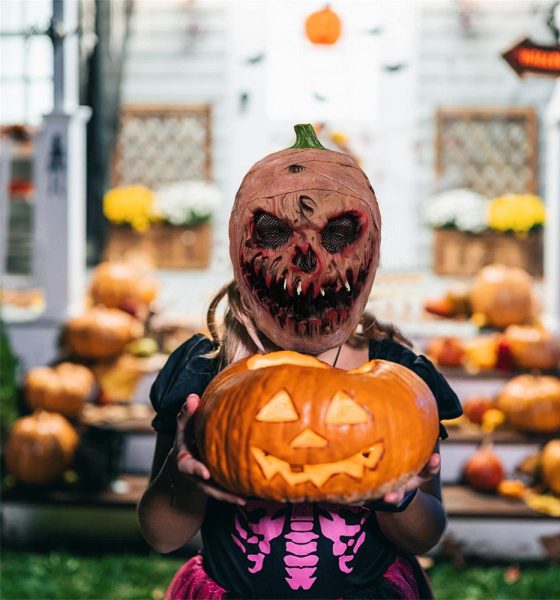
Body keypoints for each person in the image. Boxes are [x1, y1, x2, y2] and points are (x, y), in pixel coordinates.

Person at [138, 125, 462, 599]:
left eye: (338, 233)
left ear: (370, 252)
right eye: (273, 232)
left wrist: (403, 499)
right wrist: (184, 477)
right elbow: (162, 534)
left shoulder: (398, 379)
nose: (306, 261)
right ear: (240, 247)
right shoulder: (206, 371)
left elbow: (426, 532)